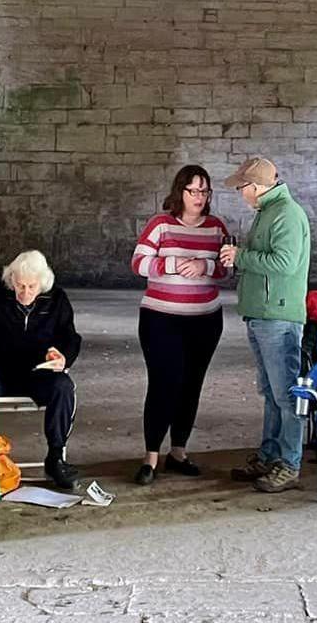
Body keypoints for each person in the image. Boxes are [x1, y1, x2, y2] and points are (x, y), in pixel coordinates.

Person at [130, 164, 231, 485]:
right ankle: (151, 456)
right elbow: (139, 263)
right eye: (193, 191)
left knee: (191, 384)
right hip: (161, 319)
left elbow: (226, 269)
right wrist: (175, 264)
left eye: (205, 191)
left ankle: (178, 451)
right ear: (180, 192)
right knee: (164, 384)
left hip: (205, 320)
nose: (199, 197)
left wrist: (206, 264)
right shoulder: (160, 225)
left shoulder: (216, 227)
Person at [0, 250, 83, 490]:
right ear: (11, 280)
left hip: (39, 371)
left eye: (31, 287)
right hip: (0, 367)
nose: (25, 293)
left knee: (64, 387)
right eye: (19, 286)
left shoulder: (57, 299)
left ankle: (55, 457)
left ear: (42, 283)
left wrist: (63, 357)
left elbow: (70, 337)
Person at [219, 155, 311, 494]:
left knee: (286, 394)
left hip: (278, 315)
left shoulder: (286, 214)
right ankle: (270, 455)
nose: (241, 193)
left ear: (256, 187)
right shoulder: (270, 212)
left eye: (242, 187)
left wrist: (240, 257)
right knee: (272, 393)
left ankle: (289, 463)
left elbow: (285, 263)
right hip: (263, 313)